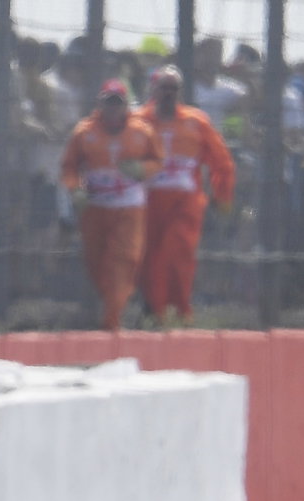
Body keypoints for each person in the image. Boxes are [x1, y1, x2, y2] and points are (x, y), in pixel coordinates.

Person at [60, 78, 163, 331]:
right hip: (95, 205)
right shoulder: (84, 132)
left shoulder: (142, 131)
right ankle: (110, 308)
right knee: (96, 262)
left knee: (124, 259)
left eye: (118, 103)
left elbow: (157, 161)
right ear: (100, 104)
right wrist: (75, 189)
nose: (113, 109)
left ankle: (112, 320)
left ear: (126, 105)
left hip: (129, 205)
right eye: (109, 103)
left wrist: (141, 168)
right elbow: (69, 166)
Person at [138, 65, 234, 326]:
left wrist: (222, 195)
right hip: (147, 202)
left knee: (178, 250)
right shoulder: (138, 121)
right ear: (152, 90)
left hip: (185, 202)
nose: (168, 94)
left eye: (173, 89)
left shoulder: (197, 121)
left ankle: (180, 310)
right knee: (151, 257)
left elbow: (221, 161)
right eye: (163, 88)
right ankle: (155, 311)